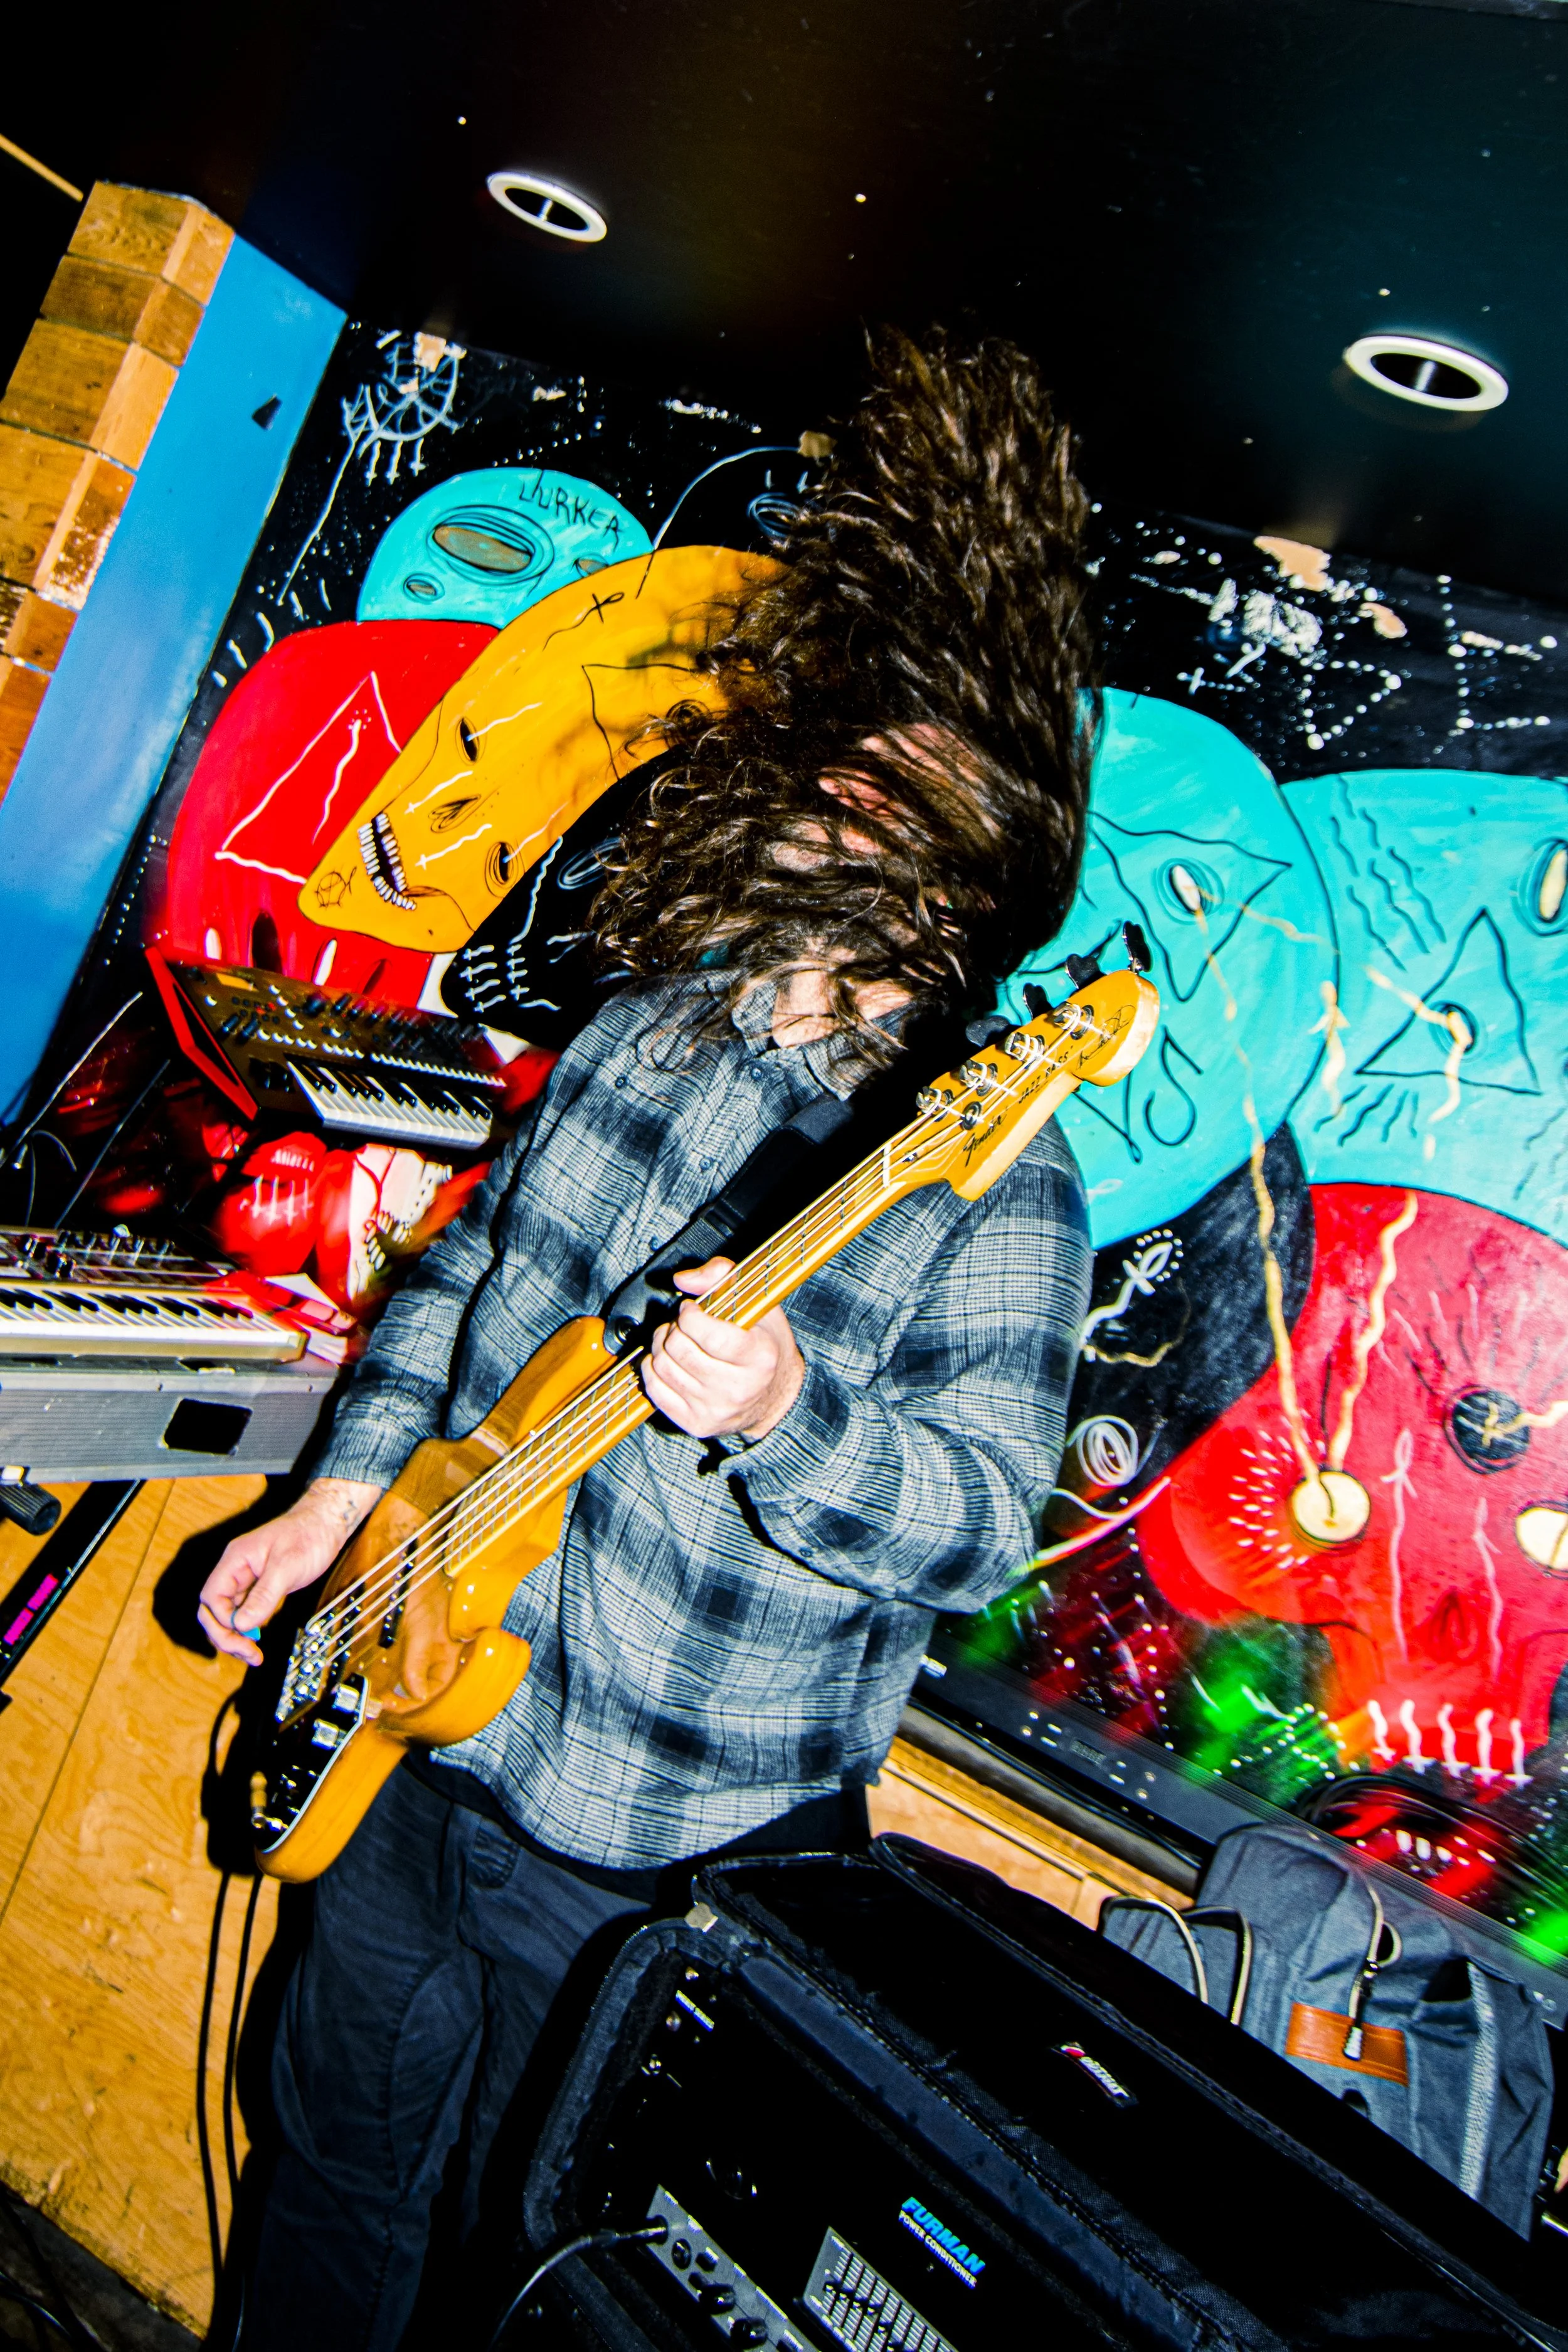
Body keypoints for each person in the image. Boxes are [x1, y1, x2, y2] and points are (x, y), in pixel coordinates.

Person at [198, 325, 1099, 2349]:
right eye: (843, 750)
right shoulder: (655, 1010)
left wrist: (787, 1408)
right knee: (325, 2170)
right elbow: (467, 1273)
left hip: (645, 1849)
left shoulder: (991, 1170)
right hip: (418, 1734)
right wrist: (337, 1501)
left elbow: (968, 1530)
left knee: (527, 2277)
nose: (843, 785)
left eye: (900, 775)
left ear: (972, 860)